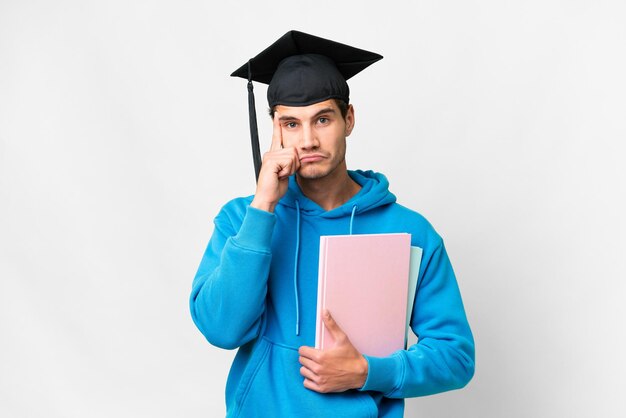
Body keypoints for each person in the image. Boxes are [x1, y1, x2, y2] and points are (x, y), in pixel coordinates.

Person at [190, 30, 475, 418]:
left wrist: (368, 372)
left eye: (322, 119)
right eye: (290, 124)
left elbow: (455, 355)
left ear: (349, 119)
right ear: (274, 129)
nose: (307, 140)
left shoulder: (410, 230)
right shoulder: (242, 218)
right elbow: (221, 330)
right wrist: (264, 208)